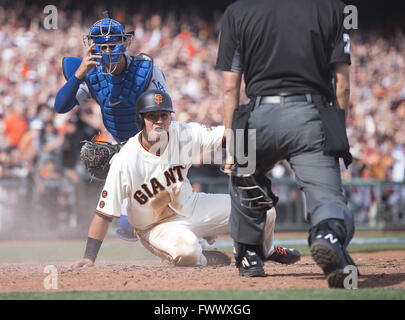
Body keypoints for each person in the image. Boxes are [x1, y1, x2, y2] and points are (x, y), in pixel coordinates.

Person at [70, 89, 300, 269]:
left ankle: (265, 250)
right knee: (187, 251)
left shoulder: (183, 133)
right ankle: (202, 258)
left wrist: (249, 152)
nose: (159, 121)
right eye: (152, 116)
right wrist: (89, 258)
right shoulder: (125, 160)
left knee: (263, 209)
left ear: (171, 117)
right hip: (155, 227)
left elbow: (228, 136)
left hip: (193, 206)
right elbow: (103, 214)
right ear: (141, 121)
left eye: (163, 115)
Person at [216, 0, 357, 287]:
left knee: (244, 176)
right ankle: (326, 234)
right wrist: (336, 129)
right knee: (327, 197)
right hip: (310, 115)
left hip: (258, 115)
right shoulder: (335, 9)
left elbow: (230, 87)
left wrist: (233, 145)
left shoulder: (237, 11)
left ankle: (249, 253)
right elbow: (342, 84)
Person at [54, 12, 168, 241]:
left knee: (165, 209)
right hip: (123, 146)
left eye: (111, 46)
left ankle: (197, 241)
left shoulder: (146, 71)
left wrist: (154, 148)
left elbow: (164, 114)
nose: (106, 52)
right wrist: (78, 75)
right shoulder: (92, 75)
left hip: (154, 145)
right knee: (127, 226)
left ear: (123, 44)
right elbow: (60, 106)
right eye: (101, 47)